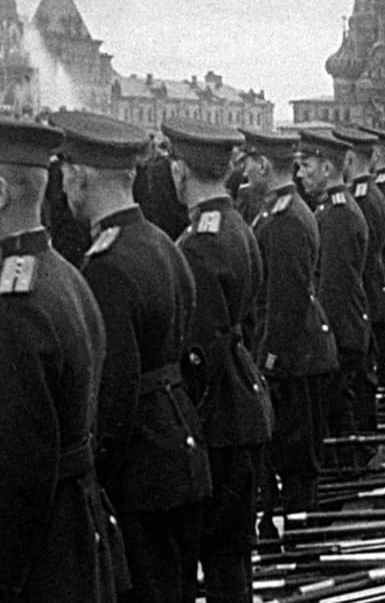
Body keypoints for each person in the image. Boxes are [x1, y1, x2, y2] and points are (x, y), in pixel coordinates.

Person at [52, 110, 211, 603]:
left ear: (80, 175)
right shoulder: (164, 244)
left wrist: (102, 474)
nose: (62, 189)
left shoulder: (106, 266)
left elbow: (112, 398)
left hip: (141, 472)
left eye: (64, 176)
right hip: (181, 446)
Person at [0, 119, 125, 603]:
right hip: (75, 531)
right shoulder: (64, 275)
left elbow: (17, 468)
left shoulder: (13, 305)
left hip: (38, 557)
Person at [163, 118, 273, 603]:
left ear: (181, 171)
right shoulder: (237, 226)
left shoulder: (199, 244)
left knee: (215, 559)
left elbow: (197, 354)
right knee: (233, 557)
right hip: (243, 405)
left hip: (219, 422)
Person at [240, 128, 338, 515]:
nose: (245, 169)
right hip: (299, 358)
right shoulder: (283, 211)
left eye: (250, 161)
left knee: (297, 468)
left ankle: (302, 549)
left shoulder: (285, 221)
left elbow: (284, 306)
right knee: (295, 465)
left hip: (295, 362)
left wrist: (267, 365)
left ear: (264, 165)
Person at [296, 129, 369, 469]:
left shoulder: (336, 216)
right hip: (345, 331)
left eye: (306, 165)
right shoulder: (332, 209)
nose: (300, 173)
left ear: (327, 169)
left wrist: (325, 343)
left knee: (342, 422)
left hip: (340, 335)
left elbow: (333, 291)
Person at [335, 126, 385, 453]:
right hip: (375, 289)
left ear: (351, 157)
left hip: (362, 297)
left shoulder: (356, 201)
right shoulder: (371, 193)